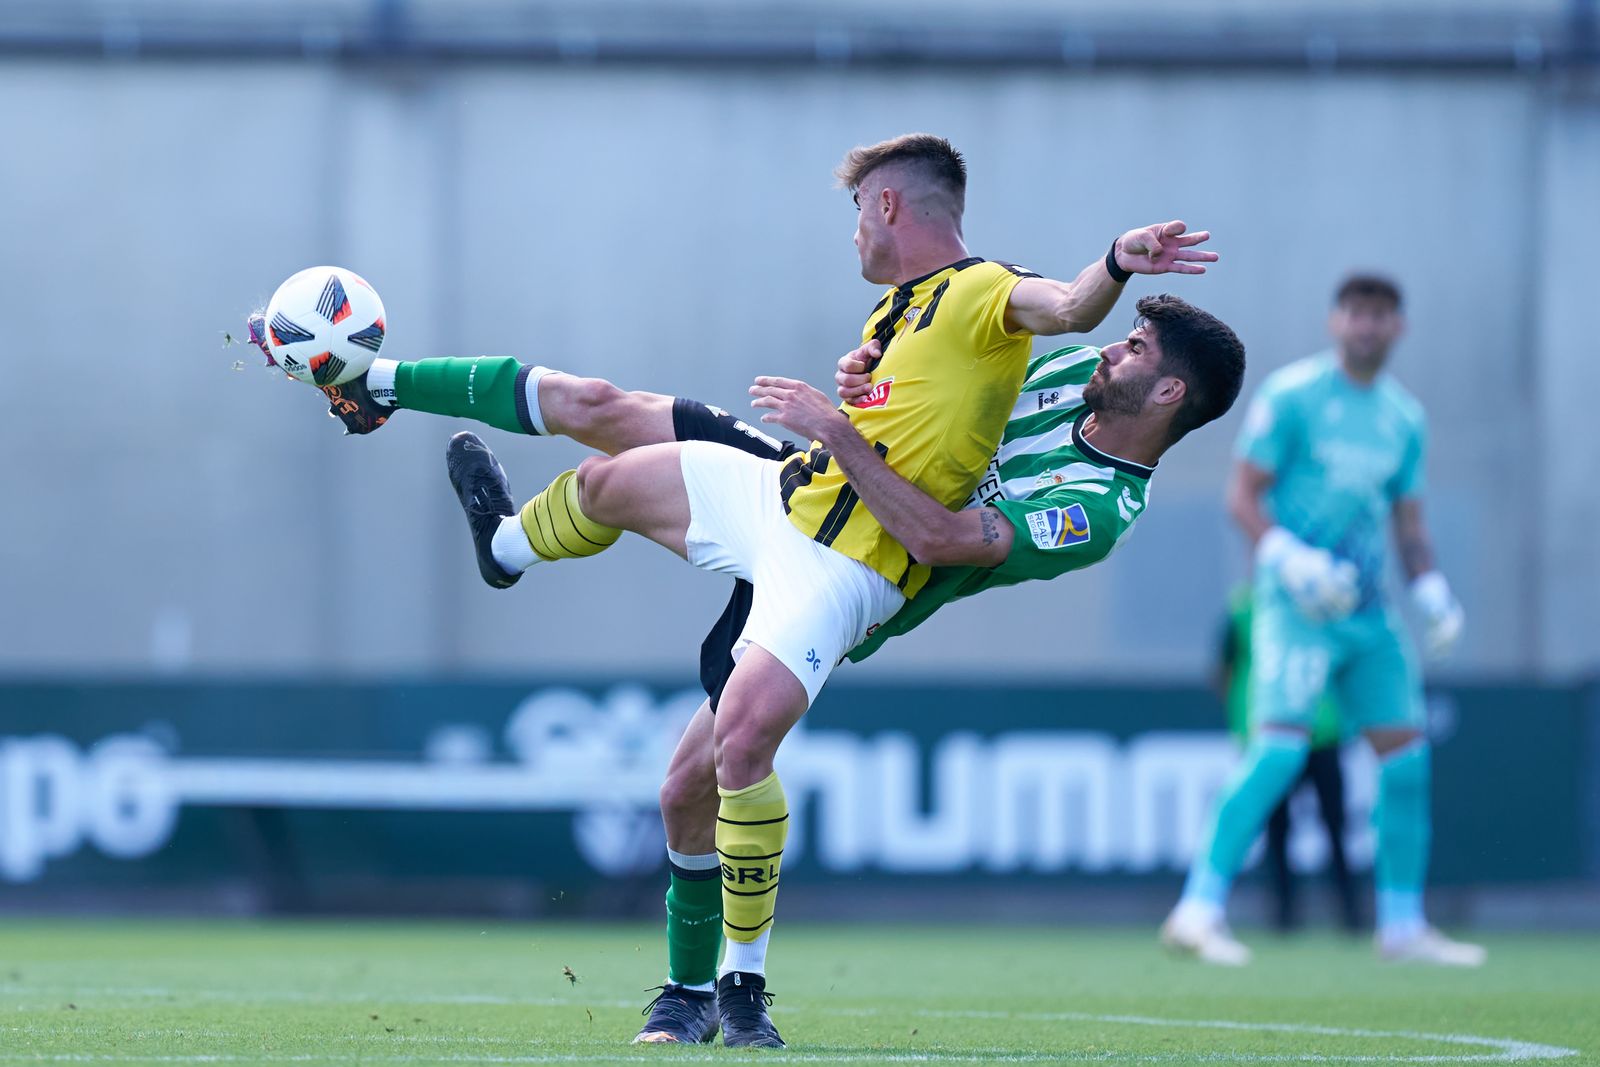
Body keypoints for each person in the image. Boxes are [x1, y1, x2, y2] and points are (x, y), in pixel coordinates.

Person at [245, 134, 1231, 1045]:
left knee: (703, 773)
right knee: (601, 417)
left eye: (1135, 352)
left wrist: (848, 420)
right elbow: (1006, 336)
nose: (1110, 352)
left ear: (1169, 395)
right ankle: (413, 431)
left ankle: (732, 986)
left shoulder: (1093, 507)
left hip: (854, 569)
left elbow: (937, 528)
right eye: (1121, 340)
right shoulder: (1052, 358)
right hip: (806, 486)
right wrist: (873, 371)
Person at [1161, 273, 1477, 967]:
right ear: (1336, 321)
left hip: (1368, 613)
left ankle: (1401, 924)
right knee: (1276, 751)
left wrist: (1432, 589)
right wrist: (1288, 556)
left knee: (1407, 760)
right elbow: (1241, 496)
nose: (1367, 326)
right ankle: (1197, 908)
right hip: (1296, 605)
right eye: (1356, 313)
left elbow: (1409, 523)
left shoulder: (1403, 417)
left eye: (1381, 315)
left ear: (1399, 327)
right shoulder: (1293, 396)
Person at [1216, 583, 1358, 934]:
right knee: (1278, 831)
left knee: (1336, 827)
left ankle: (1352, 916)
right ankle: (1284, 917)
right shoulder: (1242, 609)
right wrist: (1241, 715)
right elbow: (1225, 669)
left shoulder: (1326, 603)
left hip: (1321, 731)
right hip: (1271, 733)